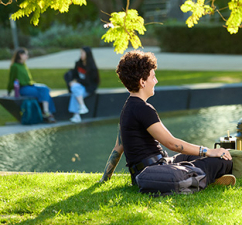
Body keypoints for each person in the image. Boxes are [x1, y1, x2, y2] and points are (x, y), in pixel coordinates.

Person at [99, 50, 235, 189]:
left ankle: (202, 178)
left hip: (159, 165)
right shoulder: (143, 109)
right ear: (142, 82)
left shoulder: (127, 108)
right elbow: (172, 143)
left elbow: (118, 148)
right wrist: (207, 151)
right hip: (155, 171)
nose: (156, 81)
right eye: (153, 76)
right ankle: (204, 179)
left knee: (216, 159)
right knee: (220, 162)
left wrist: (104, 179)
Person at [6, 48, 56, 123]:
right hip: (23, 88)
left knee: (45, 89)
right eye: (25, 54)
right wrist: (9, 91)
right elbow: (11, 79)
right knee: (43, 93)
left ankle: (45, 111)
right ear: (20, 55)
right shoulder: (15, 66)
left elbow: (29, 80)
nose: (27, 56)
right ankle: (47, 113)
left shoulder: (24, 65)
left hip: (31, 85)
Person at [68, 46, 100, 123]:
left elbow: (89, 82)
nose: (81, 55)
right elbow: (74, 74)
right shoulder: (78, 63)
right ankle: (82, 107)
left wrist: (77, 81)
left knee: (75, 92)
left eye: (82, 53)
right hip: (80, 86)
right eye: (80, 53)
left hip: (88, 88)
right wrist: (75, 81)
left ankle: (77, 115)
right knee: (76, 89)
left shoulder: (92, 67)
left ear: (87, 54)